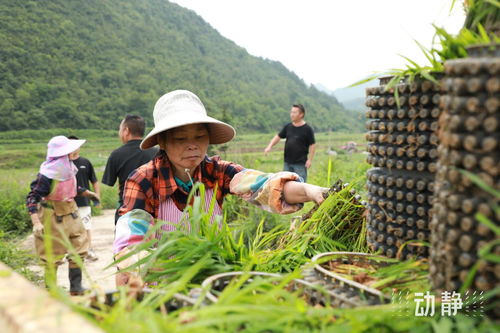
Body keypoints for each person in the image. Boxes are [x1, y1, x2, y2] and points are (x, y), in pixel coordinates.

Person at [112, 90, 328, 286]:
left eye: (199, 136)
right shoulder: (143, 180)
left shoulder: (216, 171)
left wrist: (310, 191)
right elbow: (130, 246)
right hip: (161, 284)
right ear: (162, 142)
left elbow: (265, 186)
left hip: (211, 279)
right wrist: (177, 267)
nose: (193, 145)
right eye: (180, 138)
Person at [26, 136, 89, 295]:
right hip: (52, 215)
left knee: (80, 247)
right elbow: (32, 197)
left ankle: (76, 287)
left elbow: (70, 185)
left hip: (71, 211)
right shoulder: (46, 175)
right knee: (51, 254)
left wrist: (86, 192)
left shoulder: (68, 168)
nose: (74, 153)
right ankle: (52, 291)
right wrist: (36, 221)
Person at [102, 115, 158, 224]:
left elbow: (110, 182)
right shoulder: (156, 152)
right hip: (155, 210)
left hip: (127, 210)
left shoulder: (116, 154)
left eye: (120, 129)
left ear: (126, 131)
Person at [68, 135, 100, 262]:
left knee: (86, 226)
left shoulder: (85, 162)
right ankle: (72, 252)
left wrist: (97, 197)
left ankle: (88, 250)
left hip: (84, 202)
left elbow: (94, 181)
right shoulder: (64, 163)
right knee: (70, 228)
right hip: (68, 202)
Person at [264, 104, 316, 182]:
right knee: (285, 184)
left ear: (301, 114)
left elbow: (313, 144)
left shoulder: (307, 129)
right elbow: (278, 136)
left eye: (294, 112)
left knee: (300, 185)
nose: (292, 114)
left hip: (300, 164)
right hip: (287, 163)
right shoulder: (288, 126)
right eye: (291, 112)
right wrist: (269, 146)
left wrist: (310, 160)